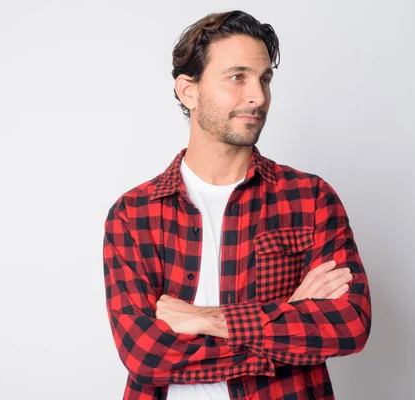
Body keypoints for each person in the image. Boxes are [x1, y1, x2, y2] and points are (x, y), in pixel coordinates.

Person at [102, 10, 371, 400]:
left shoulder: (310, 198)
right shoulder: (134, 214)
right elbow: (145, 354)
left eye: (264, 79)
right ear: (188, 91)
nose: (258, 96)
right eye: (237, 77)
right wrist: (286, 315)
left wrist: (205, 319)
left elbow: (349, 323)